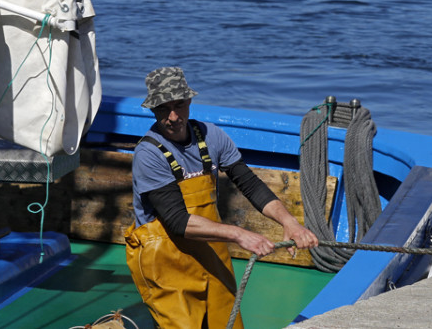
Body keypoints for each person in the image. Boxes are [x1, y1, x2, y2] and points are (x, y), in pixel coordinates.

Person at [124, 66, 319, 328]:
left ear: (189, 101)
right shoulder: (149, 154)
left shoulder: (211, 136)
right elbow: (177, 221)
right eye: (163, 109)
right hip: (165, 260)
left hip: (210, 253)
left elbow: (249, 184)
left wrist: (289, 222)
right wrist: (239, 234)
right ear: (152, 110)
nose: (172, 116)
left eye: (179, 105)